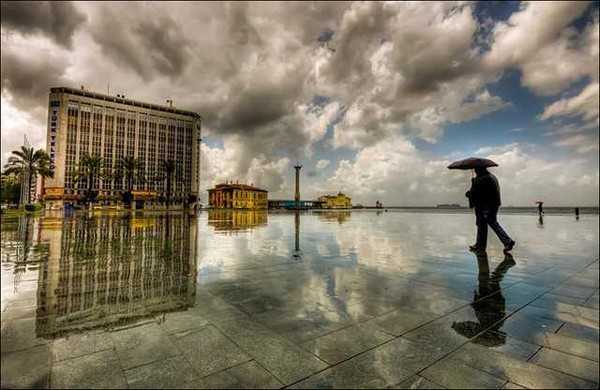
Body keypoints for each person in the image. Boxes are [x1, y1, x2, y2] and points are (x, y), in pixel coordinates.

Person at [465, 167, 515, 254]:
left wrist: (469, 193)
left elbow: (477, 193)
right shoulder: (491, 176)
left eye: (476, 169)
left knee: (491, 223)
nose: (475, 171)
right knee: (482, 224)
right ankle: (479, 245)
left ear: (479, 170)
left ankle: (507, 241)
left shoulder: (481, 178)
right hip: (493, 204)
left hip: (485, 205)